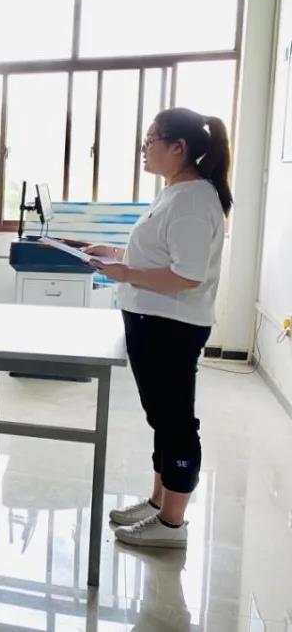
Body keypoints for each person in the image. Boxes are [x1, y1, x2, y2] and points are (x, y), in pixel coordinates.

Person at [85, 108, 232, 550]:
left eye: (151, 140)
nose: (144, 148)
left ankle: (172, 524)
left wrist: (126, 273)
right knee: (162, 418)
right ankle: (158, 502)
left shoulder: (192, 201)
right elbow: (159, 253)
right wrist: (116, 254)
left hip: (171, 325)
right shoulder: (176, 193)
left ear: (179, 147)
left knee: (176, 422)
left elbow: (187, 275)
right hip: (154, 321)